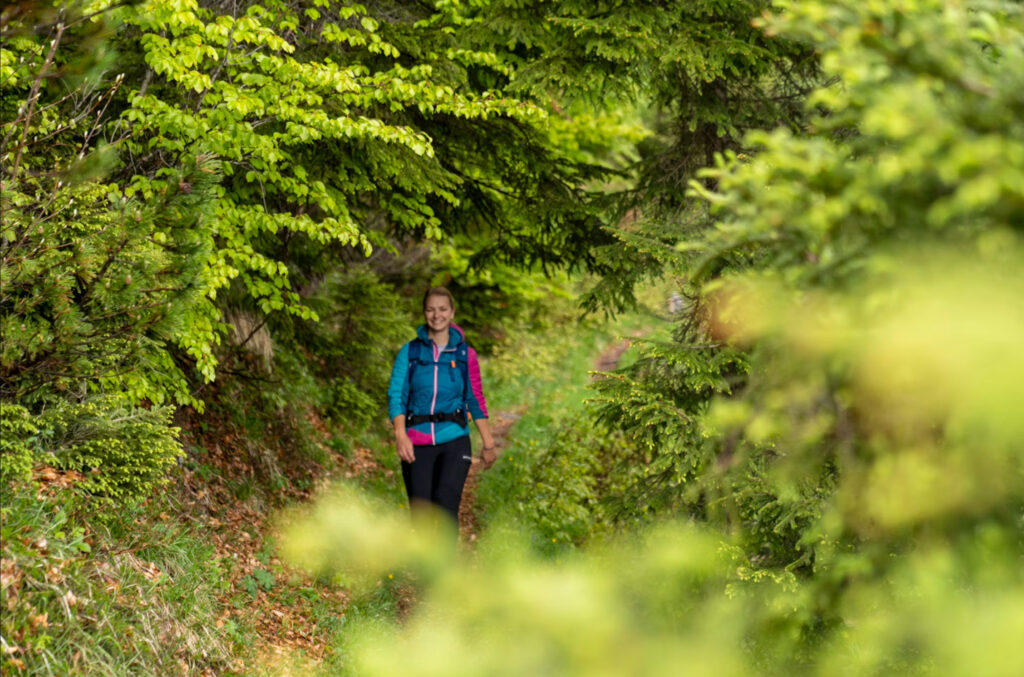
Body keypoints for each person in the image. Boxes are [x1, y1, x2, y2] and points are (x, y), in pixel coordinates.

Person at [387, 286, 497, 526]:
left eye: (442, 309)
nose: (436, 315)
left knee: (446, 510)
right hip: (416, 441)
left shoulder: (465, 354)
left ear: (452, 312)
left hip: (455, 438)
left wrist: (488, 443)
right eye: (430, 309)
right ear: (424, 313)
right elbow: (396, 395)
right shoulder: (410, 352)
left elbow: (475, 398)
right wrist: (400, 434)